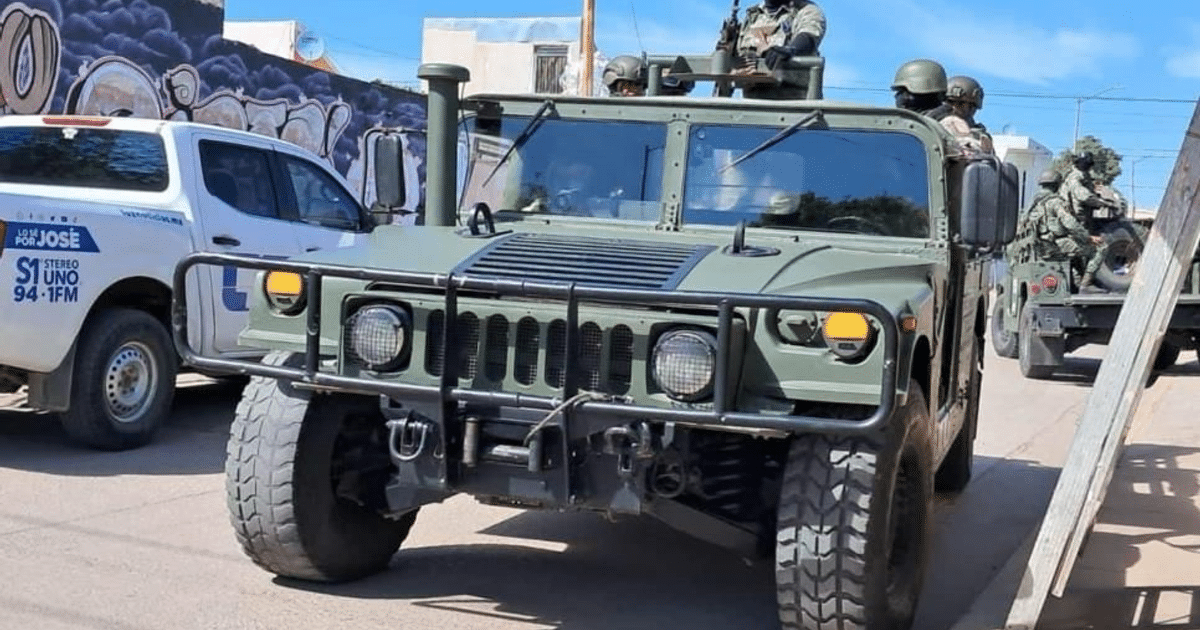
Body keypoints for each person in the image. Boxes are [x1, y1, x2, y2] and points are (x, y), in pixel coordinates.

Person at [1027, 169, 1110, 293]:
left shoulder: (1033, 205)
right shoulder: (1055, 202)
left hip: (1039, 248)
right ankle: (1086, 284)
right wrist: (1088, 238)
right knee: (1101, 247)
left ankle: (1076, 283)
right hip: (1056, 246)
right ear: (1057, 184)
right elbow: (1071, 224)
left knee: (1075, 251)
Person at [734, 0, 826, 99]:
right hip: (752, 103)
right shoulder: (753, 16)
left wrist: (789, 51)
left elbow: (808, 37)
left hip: (794, 103)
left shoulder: (806, 11)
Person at [940, 75, 994, 154]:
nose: (953, 107)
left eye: (960, 104)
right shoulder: (937, 125)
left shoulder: (979, 135)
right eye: (950, 102)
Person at [1061, 152, 1110, 229]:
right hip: (1074, 217)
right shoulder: (1075, 176)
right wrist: (1102, 203)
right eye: (1083, 162)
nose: (1085, 165)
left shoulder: (1086, 177)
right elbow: (1084, 196)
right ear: (1077, 163)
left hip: (1083, 216)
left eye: (1087, 163)